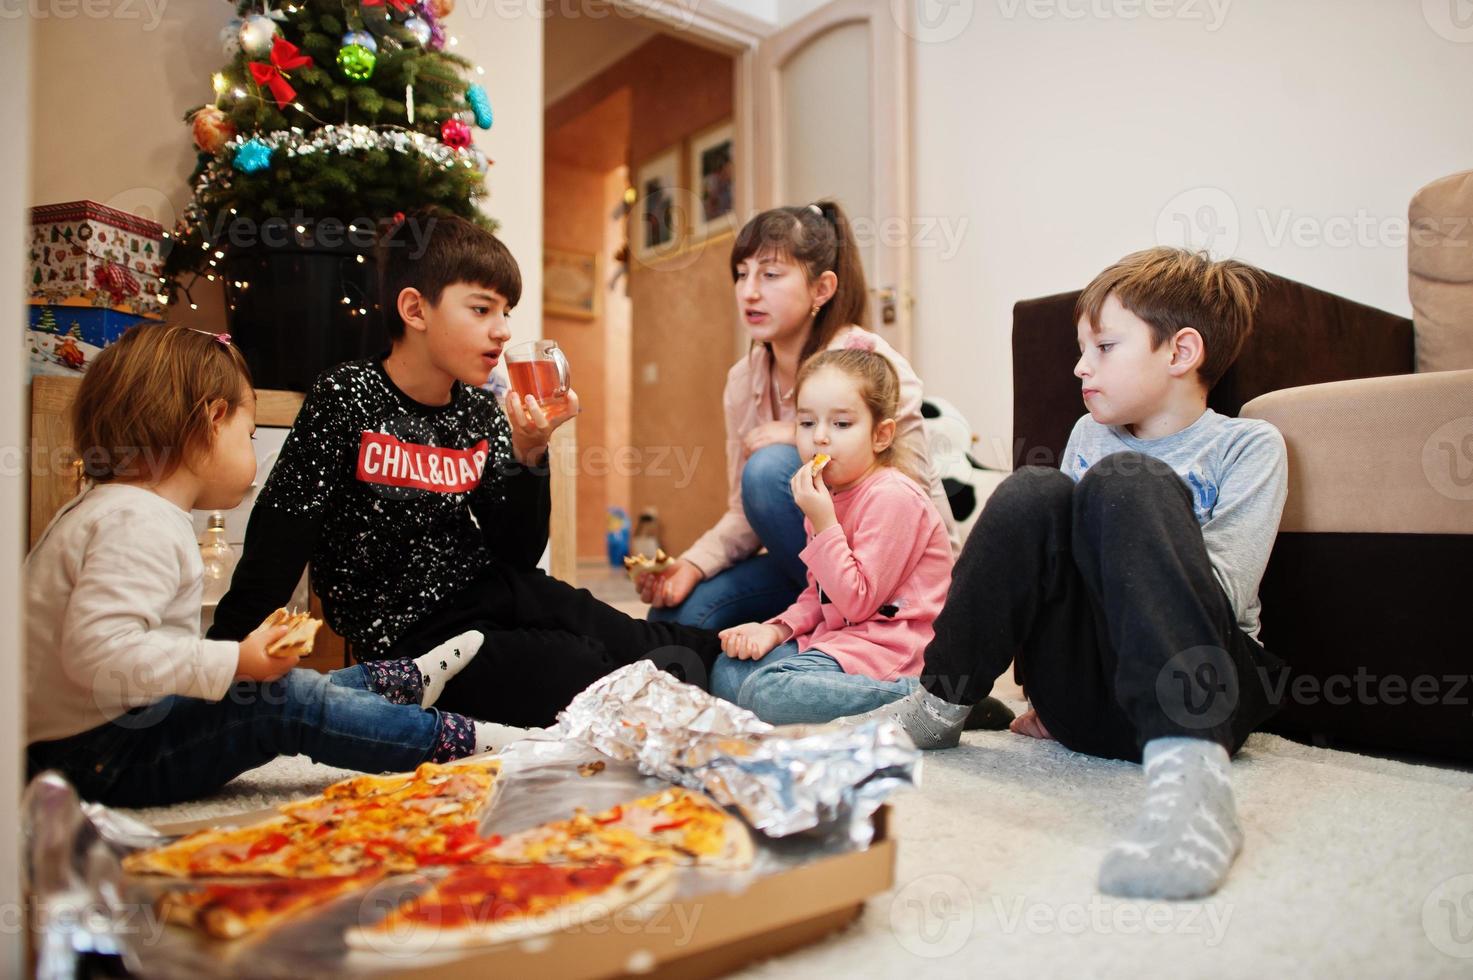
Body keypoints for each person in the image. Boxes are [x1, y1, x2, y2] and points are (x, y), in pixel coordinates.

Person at [853, 247, 1290, 901]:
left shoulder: (1248, 446)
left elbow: (1225, 595)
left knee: (1127, 482)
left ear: (1180, 353)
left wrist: (1142, 517)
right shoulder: (1091, 432)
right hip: (1094, 703)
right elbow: (1053, 578)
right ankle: (941, 706)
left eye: (1104, 347)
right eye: (1081, 348)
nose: (1080, 367)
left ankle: (1194, 788)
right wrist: (1047, 685)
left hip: (1203, 693)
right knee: (1033, 492)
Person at [209, 211, 720, 725]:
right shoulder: (344, 398)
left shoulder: (478, 411)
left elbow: (516, 554)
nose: (502, 332)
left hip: (492, 591)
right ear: (415, 309)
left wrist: (528, 451)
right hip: (408, 637)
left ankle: (748, 652)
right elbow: (278, 540)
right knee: (581, 666)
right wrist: (220, 664)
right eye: (481, 309)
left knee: (624, 632)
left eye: (506, 313)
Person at [25, 325, 521, 807]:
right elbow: (99, 656)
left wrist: (236, 667)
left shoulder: (122, 509)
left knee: (265, 687)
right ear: (212, 420)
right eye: (248, 432)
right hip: (92, 759)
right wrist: (236, 660)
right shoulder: (135, 523)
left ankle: (389, 684)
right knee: (281, 701)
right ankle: (462, 743)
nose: (250, 447)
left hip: (104, 735)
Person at [641, 201, 960, 632]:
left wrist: (793, 436)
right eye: (741, 274)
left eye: (770, 275)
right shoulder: (743, 381)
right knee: (676, 616)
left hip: (893, 581)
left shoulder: (870, 363)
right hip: (814, 574)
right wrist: (693, 565)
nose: (749, 291)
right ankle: (803, 632)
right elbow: (746, 511)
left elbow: (908, 497)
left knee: (768, 468)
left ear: (822, 289)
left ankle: (838, 640)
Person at [710, 342, 953, 724]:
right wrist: (775, 630)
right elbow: (819, 593)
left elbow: (857, 602)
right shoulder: (830, 495)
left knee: (764, 692)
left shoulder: (893, 497)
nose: (820, 438)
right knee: (728, 671)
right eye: (807, 423)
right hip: (840, 641)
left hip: (893, 650)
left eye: (841, 424)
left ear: (881, 435)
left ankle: (932, 700)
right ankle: (867, 703)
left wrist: (824, 522)